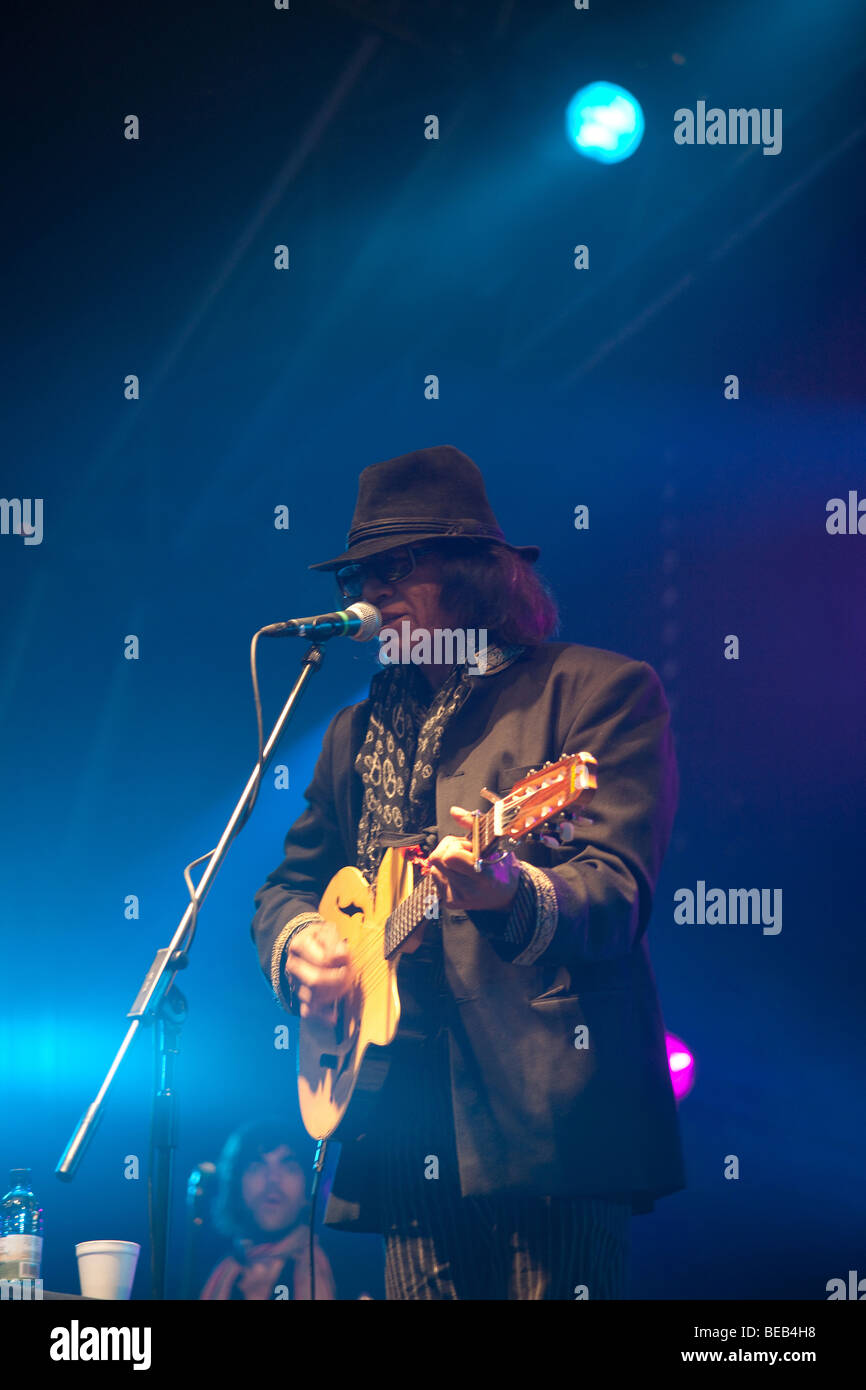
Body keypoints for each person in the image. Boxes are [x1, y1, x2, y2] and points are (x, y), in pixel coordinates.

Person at [250, 444, 685, 1300]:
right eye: (358, 576)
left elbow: (616, 894)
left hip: (549, 1118)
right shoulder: (351, 732)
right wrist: (303, 942)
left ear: (477, 573)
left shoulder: (598, 691)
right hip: (397, 1107)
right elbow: (286, 888)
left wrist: (507, 890)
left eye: (396, 568)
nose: (368, 593)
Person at [199, 1118, 335, 1300]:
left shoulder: (343, 1268)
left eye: (289, 1167)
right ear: (236, 1186)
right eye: (257, 1167)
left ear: (310, 1187)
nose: (273, 1180)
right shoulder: (214, 1270)